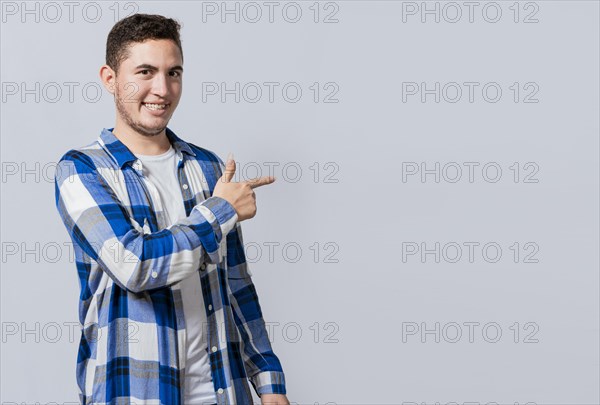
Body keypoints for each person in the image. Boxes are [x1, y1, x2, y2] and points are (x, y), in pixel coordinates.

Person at [54, 13, 290, 405]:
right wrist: (221, 211)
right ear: (110, 78)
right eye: (145, 72)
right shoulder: (81, 169)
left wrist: (268, 381)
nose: (162, 89)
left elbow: (236, 284)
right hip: (135, 392)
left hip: (222, 391)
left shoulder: (208, 167)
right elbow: (134, 264)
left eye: (173, 72)